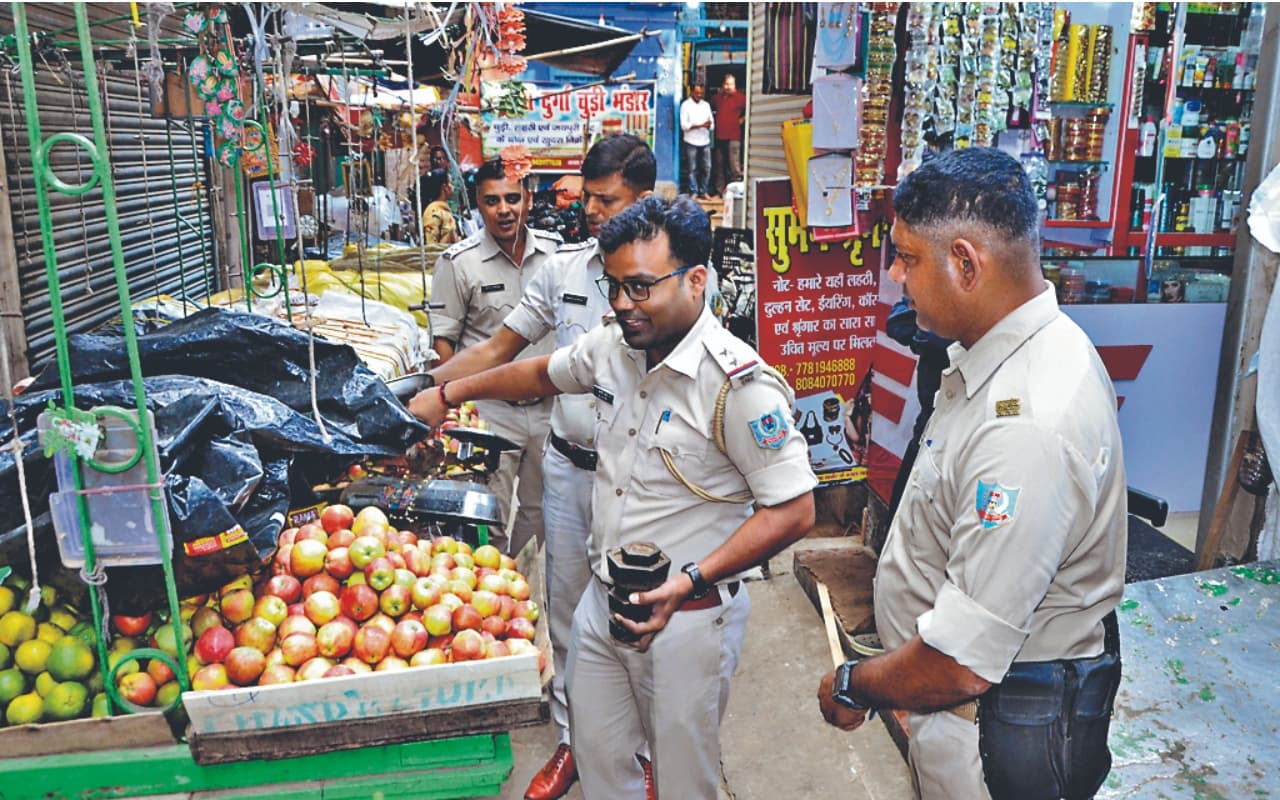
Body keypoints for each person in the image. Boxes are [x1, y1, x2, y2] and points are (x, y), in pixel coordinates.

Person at [412, 196, 817, 800]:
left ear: (696, 279)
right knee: (600, 763)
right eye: (614, 285)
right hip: (604, 607)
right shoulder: (615, 347)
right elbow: (541, 371)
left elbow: (794, 509)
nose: (622, 304)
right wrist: (447, 394)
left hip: (688, 619)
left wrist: (690, 581)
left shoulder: (739, 389)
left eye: (641, 287)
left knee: (683, 781)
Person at [816, 148, 1127, 800]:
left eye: (907, 258)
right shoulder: (1004, 358)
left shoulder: (1027, 423)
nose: (897, 275)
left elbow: (960, 663)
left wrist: (856, 683)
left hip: (985, 742)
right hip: (959, 719)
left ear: (965, 262)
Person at [420, 134, 658, 800]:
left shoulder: (677, 281)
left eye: (606, 200)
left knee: (632, 617)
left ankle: (636, 755)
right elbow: (499, 347)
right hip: (565, 466)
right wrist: (427, 390)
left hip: (637, 481)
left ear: (643, 199)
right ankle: (572, 744)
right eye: (588, 199)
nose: (591, 211)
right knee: (565, 613)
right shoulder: (564, 271)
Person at [426, 158, 559, 557]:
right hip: (489, 410)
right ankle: (493, 587)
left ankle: (520, 584)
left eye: (513, 198)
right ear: (478, 206)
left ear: (529, 200)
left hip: (549, 406)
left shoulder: (556, 256)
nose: (505, 210)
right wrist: (454, 406)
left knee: (541, 513)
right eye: (492, 200)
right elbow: (444, 344)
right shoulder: (457, 262)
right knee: (489, 512)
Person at [711, 74, 746, 194]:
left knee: (734, 164)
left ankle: (736, 192)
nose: (728, 87)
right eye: (726, 84)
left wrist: (743, 119)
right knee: (719, 165)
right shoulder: (718, 98)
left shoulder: (741, 98)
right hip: (720, 136)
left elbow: (751, 109)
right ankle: (719, 191)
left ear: (735, 85)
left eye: (730, 84)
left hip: (734, 135)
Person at [680, 83, 714, 200]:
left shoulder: (706, 105)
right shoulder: (685, 105)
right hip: (691, 141)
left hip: (705, 141)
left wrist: (708, 125)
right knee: (692, 168)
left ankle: (703, 191)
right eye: (697, 93)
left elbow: (712, 124)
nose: (699, 95)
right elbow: (684, 125)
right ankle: (693, 191)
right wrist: (700, 125)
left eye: (701, 93)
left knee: (707, 167)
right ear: (692, 92)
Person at [419, 168, 459, 245]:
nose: (452, 186)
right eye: (450, 183)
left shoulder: (443, 210)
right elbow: (431, 246)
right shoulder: (433, 212)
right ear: (445, 187)